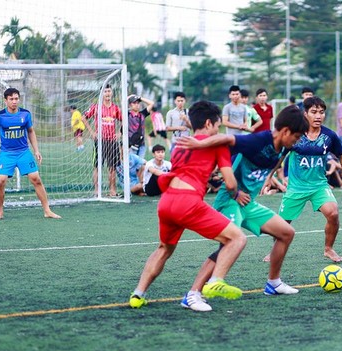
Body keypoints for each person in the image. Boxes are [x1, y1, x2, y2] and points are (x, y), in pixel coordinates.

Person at [175, 105, 310, 310]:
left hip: (248, 203)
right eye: (297, 137)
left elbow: (277, 161)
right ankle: (192, 294)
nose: (297, 141)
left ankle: (273, 283)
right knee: (229, 243)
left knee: (286, 233)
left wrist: (269, 177)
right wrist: (199, 144)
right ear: (285, 131)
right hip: (230, 200)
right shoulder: (259, 140)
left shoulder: (284, 146)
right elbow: (226, 139)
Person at [129, 100, 247, 309]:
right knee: (237, 238)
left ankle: (137, 295)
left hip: (167, 201)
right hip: (188, 202)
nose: (218, 131)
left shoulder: (181, 145)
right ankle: (212, 283)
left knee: (164, 248)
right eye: (218, 126)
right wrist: (236, 193)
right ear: (209, 123)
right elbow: (230, 183)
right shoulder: (217, 144)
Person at [277, 96, 342, 263]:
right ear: (305, 114)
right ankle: (275, 251)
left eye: (321, 112)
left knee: (333, 213)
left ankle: (328, 249)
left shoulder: (329, 136)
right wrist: (268, 177)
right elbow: (280, 157)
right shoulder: (295, 134)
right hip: (296, 187)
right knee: (282, 223)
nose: (318, 116)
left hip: (319, 186)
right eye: (314, 112)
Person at [0, 87, 61, 221]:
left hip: (23, 153)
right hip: (6, 154)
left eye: (16, 99)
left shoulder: (25, 114)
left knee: (36, 179)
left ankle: (47, 210)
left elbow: (31, 131)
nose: (14, 101)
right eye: (11, 99)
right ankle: (0, 212)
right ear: (5, 101)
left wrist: (36, 150)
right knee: (0, 181)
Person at [83, 84, 122, 197]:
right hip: (100, 141)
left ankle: (112, 190)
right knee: (97, 166)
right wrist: (92, 132)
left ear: (112, 93)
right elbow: (83, 117)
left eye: (109, 91)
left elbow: (124, 120)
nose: (107, 93)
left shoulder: (115, 108)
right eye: (105, 91)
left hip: (112, 141)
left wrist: (120, 133)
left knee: (112, 167)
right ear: (101, 94)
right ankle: (97, 190)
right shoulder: (96, 107)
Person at [127, 94, 154, 158]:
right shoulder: (127, 114)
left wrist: (140, 98)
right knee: (132, 162)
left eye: (138, 103)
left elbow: (152, 103)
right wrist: (129, 97)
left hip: (141, 145)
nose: (136, 105)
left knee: (141, 163)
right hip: (131, 145)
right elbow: (122, 104)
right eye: (134, 103)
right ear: (130, 105)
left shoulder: (142, 114)